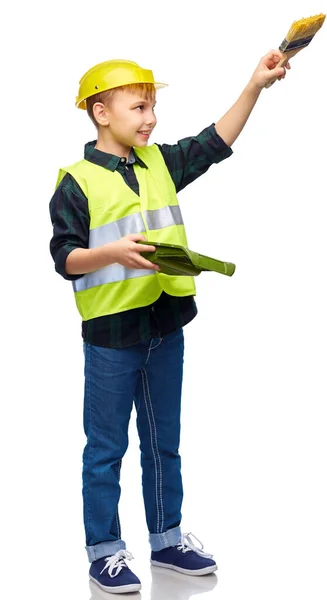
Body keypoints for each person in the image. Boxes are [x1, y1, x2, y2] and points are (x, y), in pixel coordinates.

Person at [49, 50, 290, 594]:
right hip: (112, 335)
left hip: (166, 324)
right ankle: (105, 551)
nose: (150, 117)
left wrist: (254, 85)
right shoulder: (76, 182)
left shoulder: (158, 162)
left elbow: (214, 143)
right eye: (139, 106)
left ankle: (167, 539)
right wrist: (110, 252)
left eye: (152, 106)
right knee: (106, 448)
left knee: (164, 441)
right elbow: (64, 259)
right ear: (100, 112)